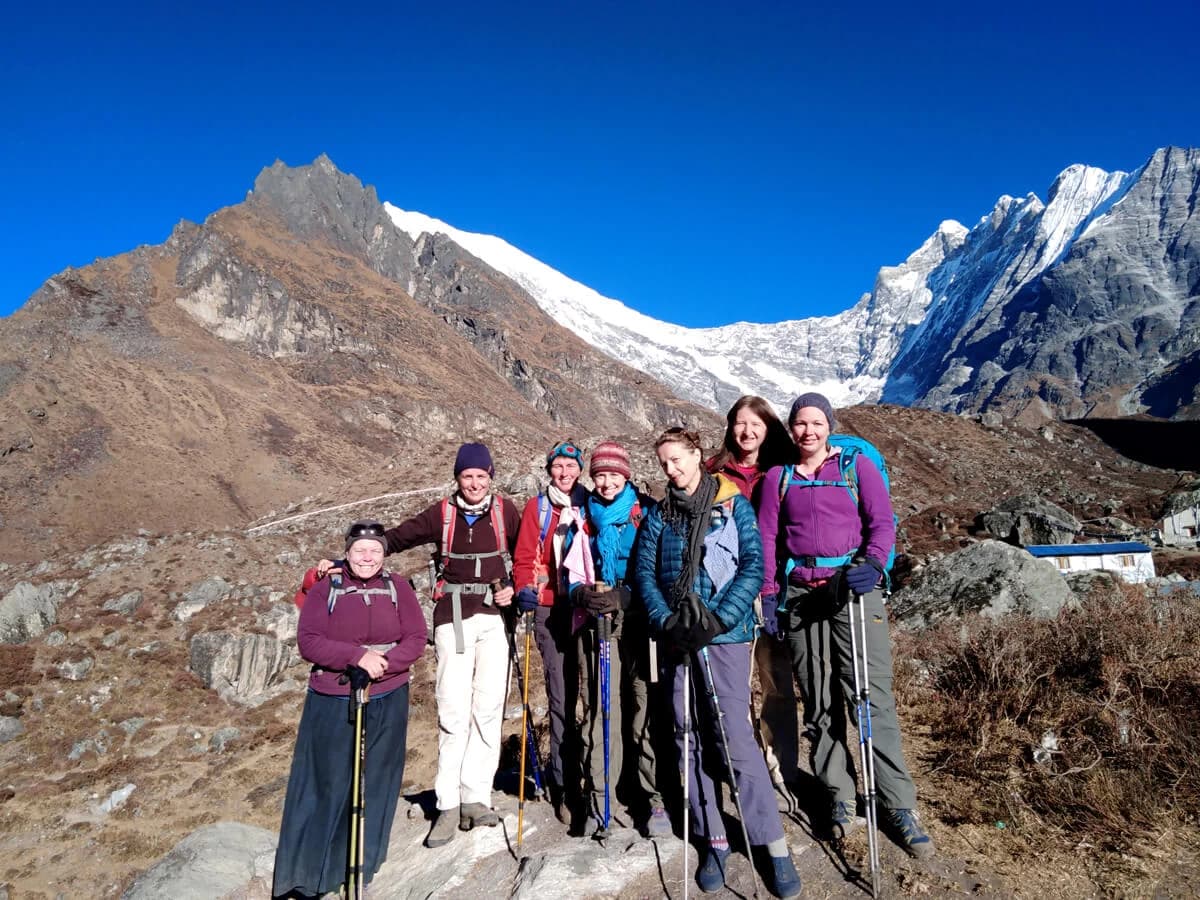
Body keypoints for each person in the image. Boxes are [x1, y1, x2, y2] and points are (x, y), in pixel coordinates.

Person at [757, 392, 934, 859]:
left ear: (829, 425)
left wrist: (874, 564)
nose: (807, 431)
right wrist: (771, 596)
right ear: (791, 429)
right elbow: (768, 541)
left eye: (816, 422)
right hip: (800, 594)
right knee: (819, 701)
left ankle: (897, 804)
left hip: (853, 592)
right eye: (800, 423)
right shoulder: (779, 478)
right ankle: (840, 794)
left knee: (871, 697)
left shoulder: (857, 469)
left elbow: (882, 524)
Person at [326, 442, 520, 849]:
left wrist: (516, 589)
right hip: (453, 619)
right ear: (457, 479)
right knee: (453, 708)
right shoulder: (441, 515)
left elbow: (523, 558)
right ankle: (447, 804)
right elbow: (393, 540)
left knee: (488, 709)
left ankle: (476, 798)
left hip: (496, 621)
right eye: (467, 476)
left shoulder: (507, 513)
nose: (474, 483)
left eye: (481, 476)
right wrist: (346, 561)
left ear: (491, 478)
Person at [635, 428, 802, 898]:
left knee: (733, 736)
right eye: (664, 463)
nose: (671, 469)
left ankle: (772, 844)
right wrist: (667, 622)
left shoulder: (732, 505)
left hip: (724, 637)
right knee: (686, 734)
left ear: (697, 455)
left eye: (677, 459)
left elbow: (753, 566)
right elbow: (644, 575)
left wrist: (717, 618)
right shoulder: (659, 517)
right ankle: (715, 837)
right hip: (676, 640)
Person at [273, 521, 428, 898]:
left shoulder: (398, 588)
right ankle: (306, 878)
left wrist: (384, 664)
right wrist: (357, 657)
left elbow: (416, 637)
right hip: (334, 695)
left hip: (388, 694)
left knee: (379, 779)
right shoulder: (327, 588)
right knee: (325, 782)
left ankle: (362, 864)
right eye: (360, 550)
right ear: (346, 552)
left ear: (384, 554)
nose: (367, 557)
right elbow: (309, 642)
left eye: (375, 550)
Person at [562, 440, 669, 838]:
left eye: (613, 475)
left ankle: (654, 797)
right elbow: (571, 571)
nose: (606, 483)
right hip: (597, 623)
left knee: (644, 706)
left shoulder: (646, 513)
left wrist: (628, 594)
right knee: (601, 709)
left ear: (626, 476)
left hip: (640, 621)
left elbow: (661, 568)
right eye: (600, 475)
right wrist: (578, 595)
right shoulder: (583, 518)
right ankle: (599, 797)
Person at [706, 396, 800, 790]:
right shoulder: (712, 474)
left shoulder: (783, 472)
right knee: (732, 684)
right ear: (730, 427)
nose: (747, 431)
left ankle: (782, 770)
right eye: (740, 423)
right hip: (725, 593)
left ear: (768, 428)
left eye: (755, 424)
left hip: (772, 588)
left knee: (776, 682)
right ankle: (741, 765)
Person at [511, 439, 589, 819]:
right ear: (550, 470)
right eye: (559, 466)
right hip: (550, 610)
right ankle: (564, 783)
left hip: (587, 609)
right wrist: (526, 588)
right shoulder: (537, 509)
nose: (565, 473)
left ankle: (598, 774)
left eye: (571, 467)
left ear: (580, 470)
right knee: (561, 697)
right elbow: (524, 556)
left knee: (594, 696)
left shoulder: (592, 504)